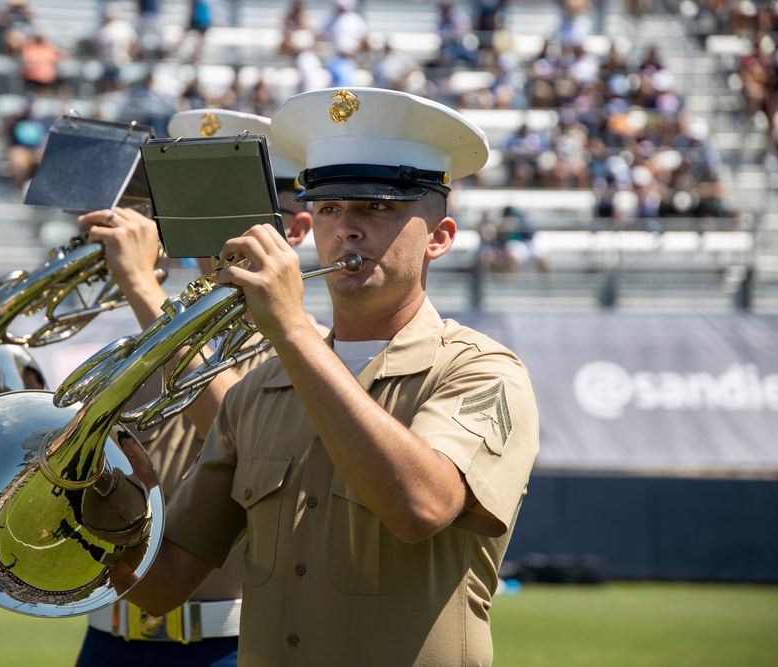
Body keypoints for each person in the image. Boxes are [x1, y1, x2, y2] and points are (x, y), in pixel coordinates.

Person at [88, 88, 541, 665]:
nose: (347, 228)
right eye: (329, 209)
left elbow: (419, 509)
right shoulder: (256, 391)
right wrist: (82, 500)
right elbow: (166, 579)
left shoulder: (481, 371)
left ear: (439, 238)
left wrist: (294, 330)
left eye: (377, 208)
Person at [73, 108, 321, 667]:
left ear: (297, 229)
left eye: (233, 211)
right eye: (197, 210)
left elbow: (233, 424)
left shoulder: (311, 350)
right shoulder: (143, 338)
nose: (211, 237)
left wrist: (140, 285)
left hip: (226, 647)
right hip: (106, 636)